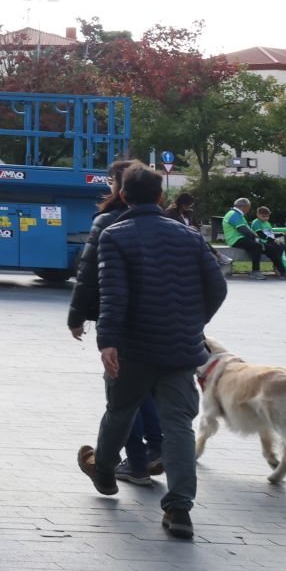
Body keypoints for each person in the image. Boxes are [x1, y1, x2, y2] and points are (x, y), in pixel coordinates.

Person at [77, 166, 227, 541]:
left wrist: (107, 341)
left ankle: (106, 471)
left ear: (123, 196)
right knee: (178, 426)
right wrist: (193, 323)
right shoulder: (189, 236)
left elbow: (114, 294)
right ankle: (179, 509)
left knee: (120, 411)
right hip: (179, 349)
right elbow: (218, 287)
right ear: (162, 198)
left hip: (134, 347)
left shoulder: (114, 235)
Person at [66, 160, 159, 484]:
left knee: (121, 397)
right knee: (145, 390)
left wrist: (77, 317)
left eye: (110, 181)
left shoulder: (107, 222)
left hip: (118, 322)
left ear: (120, 186)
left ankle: (128, 465)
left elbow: (88, 275)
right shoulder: (166, 222)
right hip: (157, 322)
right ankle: (156, 448)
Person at [220, 197, 286, 278]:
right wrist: (257, 239)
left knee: (271, 248)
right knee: (257, 246)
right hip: (235, 239)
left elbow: (247, 231)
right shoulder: (234, 214)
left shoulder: (238, 214)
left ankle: (283, 272)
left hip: (242, 238)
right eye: (249, 207)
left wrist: (257, 239)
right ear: (244, 207)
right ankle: (255, 271)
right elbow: (243, 230)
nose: (249, 209)